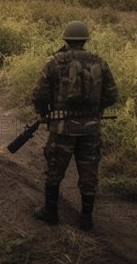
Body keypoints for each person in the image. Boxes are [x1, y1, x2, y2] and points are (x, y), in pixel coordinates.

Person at [32, 20, 119, 231]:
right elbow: (112, 96)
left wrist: (45, 114)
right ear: (85, 40)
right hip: (91, 129)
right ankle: (86, 218)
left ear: (66, 40)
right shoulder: (100, 62)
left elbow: (39, 95)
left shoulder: (54, 62)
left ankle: (51, 213)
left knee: (54, 170)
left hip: (62, 129)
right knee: (89, 174)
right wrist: (96, 112)